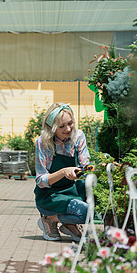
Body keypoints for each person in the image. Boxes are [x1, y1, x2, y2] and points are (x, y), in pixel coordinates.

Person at [34, 102, 91, 241]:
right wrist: (64, 172)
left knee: (98, 203)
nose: (68, 129)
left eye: (70, 123)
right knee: (85, 212)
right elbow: (40, 180)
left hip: (71, 190)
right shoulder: (43, 142)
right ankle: (49, 218)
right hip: (50, 195)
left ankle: (68, 223)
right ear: (52, 128)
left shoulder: (78, 136)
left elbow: (86, 165)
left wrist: (98, 167)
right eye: (62, 126)